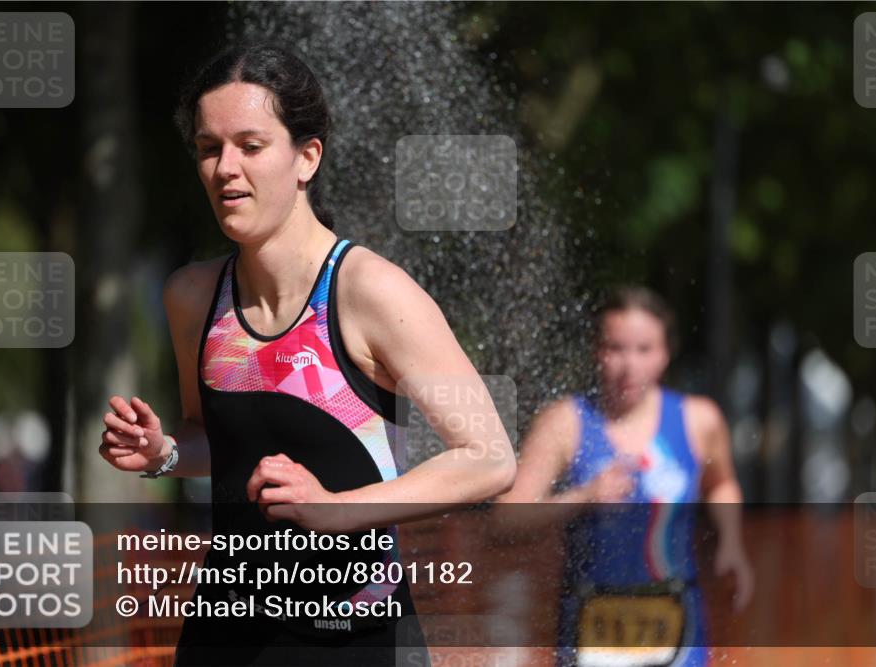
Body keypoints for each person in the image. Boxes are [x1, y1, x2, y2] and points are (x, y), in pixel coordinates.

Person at [98, 42, 516, 666]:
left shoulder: (369, 292)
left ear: (306, 157)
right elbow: (214, 439)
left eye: (251, 145)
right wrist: (164, 455)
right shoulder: (192, 296)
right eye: (209, 149)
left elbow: (489, 458)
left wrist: (338, 510)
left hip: (354, 637)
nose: (225, 169)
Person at [498, 286, 753, 667]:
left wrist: (731, 543)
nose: (629, 365)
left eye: (644, 350)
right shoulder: (565, 422)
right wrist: (584, 496)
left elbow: (722, 483)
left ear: (666, 353)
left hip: (675, 617)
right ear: (595, 351)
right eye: (615, 348)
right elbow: (506, 518)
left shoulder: (699, 420)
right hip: (592, 621)